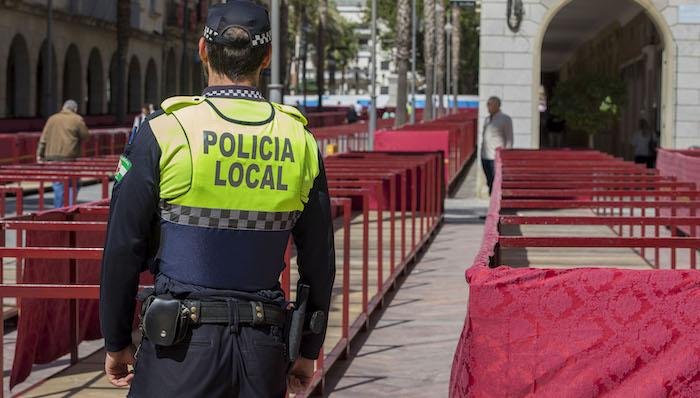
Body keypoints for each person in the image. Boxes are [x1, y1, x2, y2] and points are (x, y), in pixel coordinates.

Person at [100, 2, 335, 397]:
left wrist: (115, 338)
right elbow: (319, 261)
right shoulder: (300, 140)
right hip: (263, 352)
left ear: (203, 50)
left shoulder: (166, 130)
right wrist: (308, 348)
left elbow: (122, 246)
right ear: (267, 57)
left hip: (177, 351)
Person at [36, 99, 89, 208]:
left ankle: (58, 210)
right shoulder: (77, 119)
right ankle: (69, 209)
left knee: (58, 185)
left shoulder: (52, 119)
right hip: (69, 158)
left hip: (52, 158)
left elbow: (43, 138)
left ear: (63, 108)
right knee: (73, 184)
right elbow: (86, 136)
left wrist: (39, 154)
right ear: (75, 109)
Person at [481, 96, 513, 194]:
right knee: (489, 180)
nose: (488, 107)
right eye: (487, 105)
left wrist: (507, 153)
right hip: (485, 154)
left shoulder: (505, 119)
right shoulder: (487, 119)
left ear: (496, 106)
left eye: (490, 105)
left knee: (496, 181)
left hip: (496, 156)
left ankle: (495, 201)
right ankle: (492, 198)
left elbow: (509, 138)